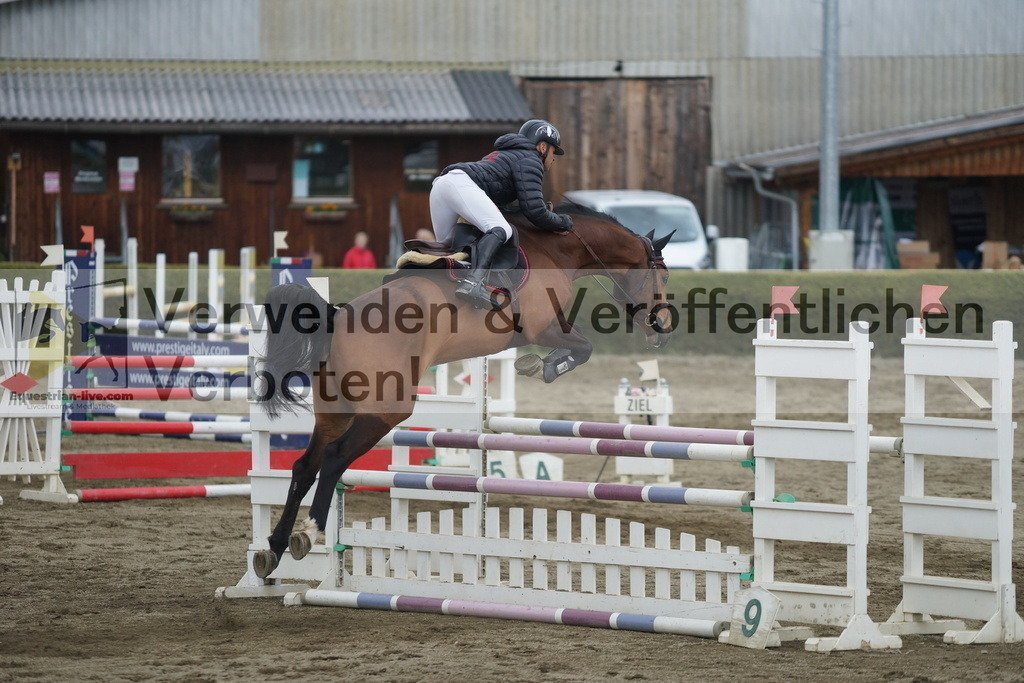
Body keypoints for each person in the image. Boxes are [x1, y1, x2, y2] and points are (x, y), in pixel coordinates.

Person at [429, 119, 573, 307]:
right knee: (502, 229)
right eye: (554, 151)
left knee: (449, 250)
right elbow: (534, 210)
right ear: (543, 147)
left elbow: (505, 207)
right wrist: (562, 222)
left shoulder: (507, 154)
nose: (554, 158)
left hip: (441, 186)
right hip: (459, 185)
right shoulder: (530, 159)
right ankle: (473, 283)